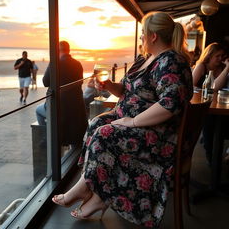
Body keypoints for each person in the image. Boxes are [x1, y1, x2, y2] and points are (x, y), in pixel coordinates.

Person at [52, 11, 193, 227]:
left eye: (142, 34)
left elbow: (170, 104)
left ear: (152, 36)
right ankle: (87, 185)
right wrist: (109, 85)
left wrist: (131, 121)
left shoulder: (172, 61)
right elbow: (127, 93)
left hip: (159, 134)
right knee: (96, 123)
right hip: (135, 122)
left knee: (104, 134)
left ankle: (98, 198)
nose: (141, 39)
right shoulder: (145, 59)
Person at [36, 41, 88, 147]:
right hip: (76, 107)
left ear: (57, 51)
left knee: (38, 110)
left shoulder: (55, 63)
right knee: (74, 133)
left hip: (59, 107)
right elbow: (81, 82)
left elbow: (45, 82)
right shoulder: (77, 64)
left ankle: (48, 136)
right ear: (68, 50)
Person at [192, 43, 229, 164]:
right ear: (209, 55)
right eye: (217, 56)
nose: (220, 59)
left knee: (219, 125)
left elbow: (217, 88)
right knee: (210, 124)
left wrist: (227, 68)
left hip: (218, 105)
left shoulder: (222, 67)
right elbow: (191, 85)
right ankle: (212, 157)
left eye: (222, 56)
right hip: (201, 105)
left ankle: (216, 156)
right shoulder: (202, 66)